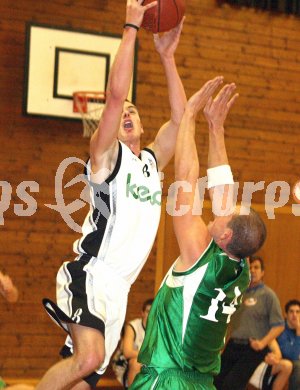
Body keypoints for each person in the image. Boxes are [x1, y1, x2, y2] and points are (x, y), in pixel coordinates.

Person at [36, 0, 186, 389]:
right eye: (121, 113)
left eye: (133, 110)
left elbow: (180, 121)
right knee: (91, 357)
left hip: (120, 290)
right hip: (93, 273)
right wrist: (131, 29)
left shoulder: (152, 163)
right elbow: (115, 96)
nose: (126, 113)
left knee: (85, 379)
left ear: (142, 122)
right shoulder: (106, 156)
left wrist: (167, 57)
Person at [130, 77, 267, 390]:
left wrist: (188, 116)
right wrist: (215, 128)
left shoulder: (197, 253)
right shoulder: (241, 267)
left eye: (226, 213)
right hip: (202, 382)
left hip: (168, 379)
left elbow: (186, 177)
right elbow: (221, 189)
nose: (223, 207)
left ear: (226, 237)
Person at [214, 256, 285, 390]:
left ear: (263, 272)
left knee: (232, 384)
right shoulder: (239, 293)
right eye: (250, 267)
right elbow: (231, 323)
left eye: (256, 267)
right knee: (216, 382)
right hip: (233, 344)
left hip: (253, 348)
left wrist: (262, 343)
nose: (252, 270)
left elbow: (279, 326)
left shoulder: (268, 295)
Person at [123, 298, 153, 386]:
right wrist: (150, 355)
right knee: (136, 362)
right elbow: (127, 352)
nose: (151, 314)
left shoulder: (159, 328)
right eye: (148, 311)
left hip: (149, 361)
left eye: (153, 311)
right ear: (142, 313)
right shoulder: (133, 326)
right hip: (125, 364)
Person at [277, 299, 300, 390]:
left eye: (298, 312)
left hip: (294, 360)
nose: (295, 315)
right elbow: (291, 355)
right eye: (291, 312)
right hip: (281, 361)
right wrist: (298, 332)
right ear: (286, 314)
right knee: (298, 366)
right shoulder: (280, 329)